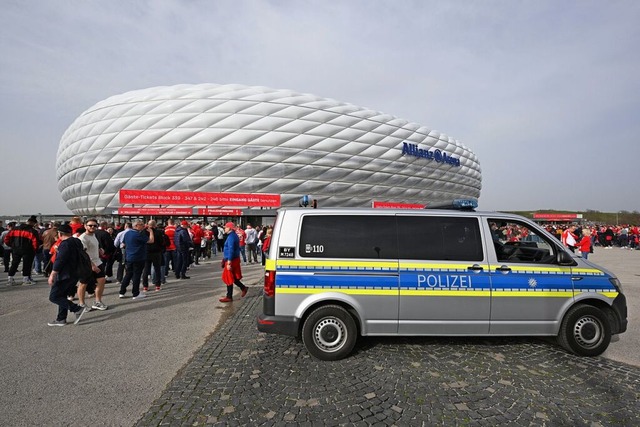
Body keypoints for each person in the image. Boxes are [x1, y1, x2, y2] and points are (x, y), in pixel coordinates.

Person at [47, 224, 89, 326]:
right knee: (62, 295)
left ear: (60, 234)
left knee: (54, 296)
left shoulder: (65, 244)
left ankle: (77, 308)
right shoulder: (77, 241)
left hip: (65, 274)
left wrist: (53, 274)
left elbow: (60, 260)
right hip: (75, 273)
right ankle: (61, 318)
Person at [77, 219, 109, 311]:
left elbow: (94, 246)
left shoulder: (94, 235)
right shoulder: (83, 238)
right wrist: (92, 265)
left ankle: (97, 302)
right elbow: (83, 253)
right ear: (85, 226)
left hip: (97, 261)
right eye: (90, 225)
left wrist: (100, 250)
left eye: (95, 225)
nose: (92, 227)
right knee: (83, 284)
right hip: (87, 264)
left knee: (102, 280)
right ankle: (81, 304)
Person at [119, 219, 154, 299]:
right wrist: (151, 232)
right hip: (138, 257)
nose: (143, 226)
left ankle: (122, 291)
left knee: (128, 274)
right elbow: (151, 241)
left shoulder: (127, 233)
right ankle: (135, 293)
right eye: (141, 224)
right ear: (136, 226)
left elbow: (123, 243)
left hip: (129, 256)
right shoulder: (138, 234)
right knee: (137, 275)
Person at [4, 215, 40, 285]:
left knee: (14, 264)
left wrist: (12, 245)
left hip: (16, 249)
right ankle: (25, 279)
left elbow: (6, 239)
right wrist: (35, 250)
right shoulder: (32, 231)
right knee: (27, 264)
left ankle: (10, 279)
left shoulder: (14, 229)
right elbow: (35, 242)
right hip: (28, 250)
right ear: (33, 223)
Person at [219, 222, 248, 303]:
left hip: (232, 259)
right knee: (233, 277)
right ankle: (243, 288)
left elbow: (231, 249)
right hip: (233, 259)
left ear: (230, 228)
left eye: (226, 227)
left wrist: (228, 262)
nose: (224, 228)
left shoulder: (231, 237)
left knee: (228, 277)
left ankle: (229, 296)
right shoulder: (233, 235)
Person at [142, 220, 164, 291]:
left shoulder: (143, 232)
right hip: (156, 253)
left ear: (148, 225)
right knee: (157, 269)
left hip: (146, 252)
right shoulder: (159, 232)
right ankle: (157, 286)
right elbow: (162, 242)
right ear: (155, 225)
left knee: (146, 269)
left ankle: (145, 286)